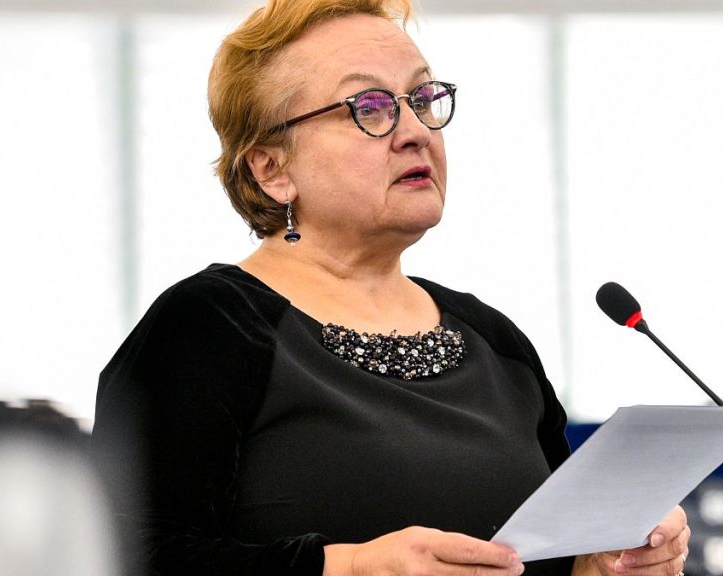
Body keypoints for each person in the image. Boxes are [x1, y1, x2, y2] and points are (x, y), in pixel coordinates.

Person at [91, 1, 691, 575]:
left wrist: (608, 565)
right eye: (369, 107)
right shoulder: (208, 327)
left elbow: (555, 559)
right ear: (272, 169)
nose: (415, 131)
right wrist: (347, 567)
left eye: (424, 98)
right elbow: (122, 556)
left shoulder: (494, 341)